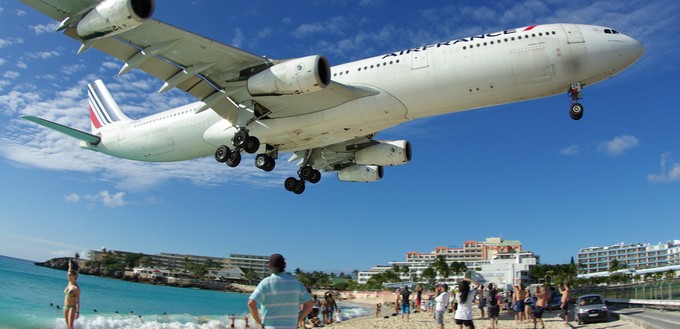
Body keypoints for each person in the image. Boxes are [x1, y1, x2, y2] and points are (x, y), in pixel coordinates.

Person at [247, 254, 314, 329]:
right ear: (284, 265)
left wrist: (259, 323)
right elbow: (309, 303)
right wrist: (299, 319)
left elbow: (251, 303)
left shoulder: (265, 283)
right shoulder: (295, 282)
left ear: (269, 266)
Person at [63, 260, 80, 329]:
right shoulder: (69, 283)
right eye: (68, 275)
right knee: (67, 326)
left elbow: (77, 301)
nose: (68, 276)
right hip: (65, 307)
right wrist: (70, 265)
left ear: (74, 276)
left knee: (70, 326)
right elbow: (69, 271)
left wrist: (77, 312)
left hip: (72, 308)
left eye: (70, 275)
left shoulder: (76, 288)